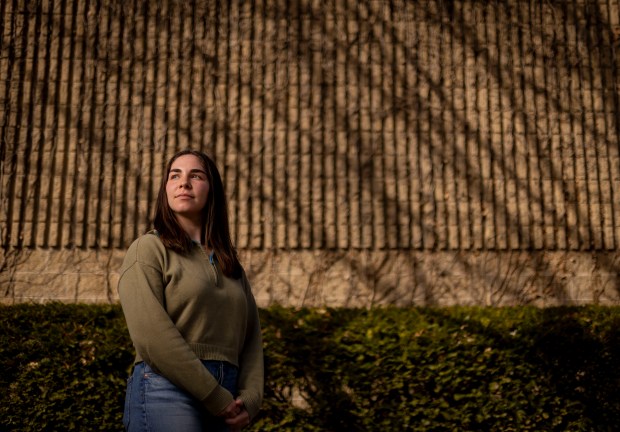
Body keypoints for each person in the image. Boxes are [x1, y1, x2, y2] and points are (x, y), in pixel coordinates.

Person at [118, 149, 263, 432]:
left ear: (212, 190)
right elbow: (152, 336)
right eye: (175, 176)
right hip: (165, 389)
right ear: (166, 189)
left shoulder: (230, 264)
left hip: (228, 397)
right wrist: (213, 395)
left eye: (195, 176)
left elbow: (252, 338)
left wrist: (250, 400)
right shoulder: (148, 249)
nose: (184, 182)